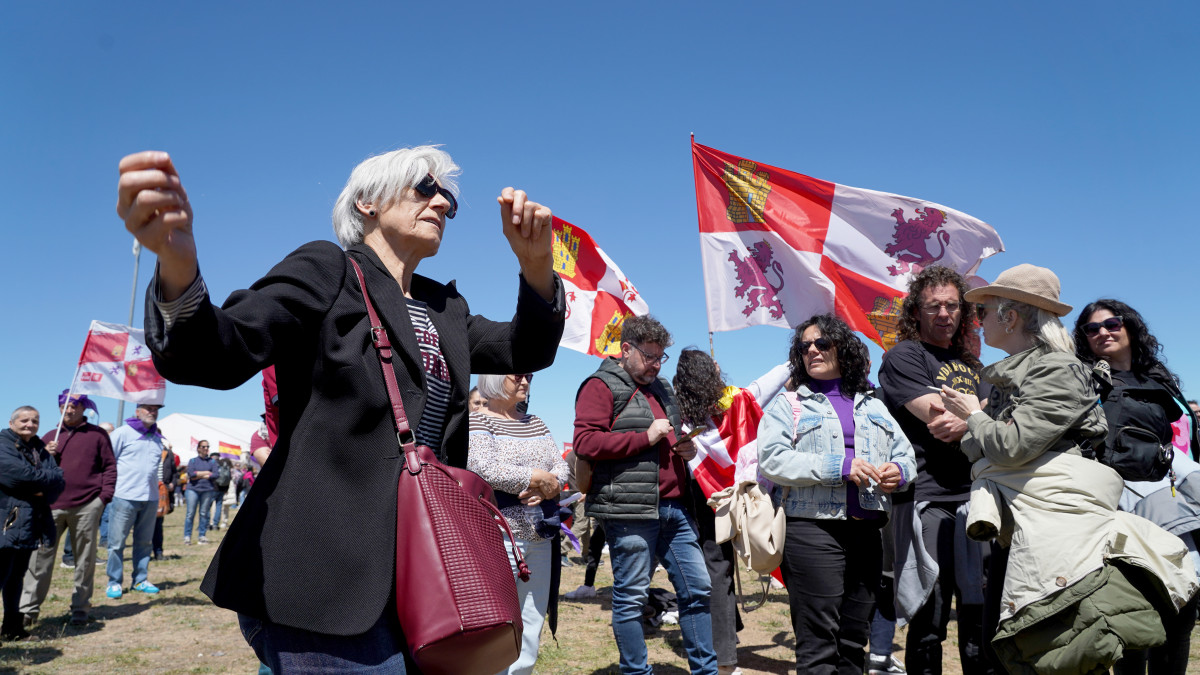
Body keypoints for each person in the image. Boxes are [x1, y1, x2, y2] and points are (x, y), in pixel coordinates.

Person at [119, 145, 564, 671]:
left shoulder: (445, 307)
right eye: (426, 188)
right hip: (324, 579)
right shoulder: (329, 269)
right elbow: (220, 351)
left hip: (427, 574)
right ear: (367, 203)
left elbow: (527, 348)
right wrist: (178, 267)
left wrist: (537, 266)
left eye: (449, 198)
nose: (443, 203)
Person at [940, 264, 1196, 671]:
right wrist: (984, 427)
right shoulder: (1018, 374)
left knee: (1057, 649)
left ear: (1010, 316)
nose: (977, 322)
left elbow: (1008, 447)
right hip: (1024, 519)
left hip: (1055, 523)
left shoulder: (1056, 369)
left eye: (982, 312)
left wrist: (973, 416)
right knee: (1009, 647)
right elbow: (980, 448)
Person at [758, 314, 916, 675]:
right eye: (804, 346)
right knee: (819, 646)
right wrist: (840, 466)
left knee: (853, 643)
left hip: (867, 532)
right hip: (811, 532)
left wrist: (899, 472)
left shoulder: (874, 405)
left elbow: (906, 456)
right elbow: (772, 459)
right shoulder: (788, 405)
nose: (812, 350)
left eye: (822, 343)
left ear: (842, 349)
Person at [573, 314, 717, 675]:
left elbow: (669, 437)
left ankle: (706, 671)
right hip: (629, 511)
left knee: (698, 589)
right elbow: (585, 442)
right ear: (626, 349)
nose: (656, 364)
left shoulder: (663, 387)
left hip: (675, 508)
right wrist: (645, 438)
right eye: (649, 356)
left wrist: (685, 449)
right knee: (631, 597)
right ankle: (636, 672)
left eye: (660, 357)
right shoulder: (599, 385)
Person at [876, 265, 995, 675]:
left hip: (977, 498)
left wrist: (973, 417)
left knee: (980, 617)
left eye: (952, 305)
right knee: (930, 618)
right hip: (927, 498)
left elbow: (1000, 412)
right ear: (916, 312)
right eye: (933, 306)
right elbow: (938, 416)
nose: (944, 314)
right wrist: (981, 415)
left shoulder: (975, 366)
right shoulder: (904, 357)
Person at [1073, 299, 1200, 674]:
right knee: (1133, 616)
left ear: (1129, 326)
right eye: (1092, 328)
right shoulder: (1085, 379)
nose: (1102, 332)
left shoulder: (1159, 377)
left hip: (1173, 501)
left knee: (1180, 611)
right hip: (1118, 506)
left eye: (1111, 323)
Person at [672, 349, 789, 675]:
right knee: (767, 558)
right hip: (748, 497)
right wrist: (796, 355)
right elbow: (775, 377)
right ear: (710, 374)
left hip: (707, 500)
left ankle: (724, 654)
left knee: (717, 572)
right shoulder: (741, 399)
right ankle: (726, 653)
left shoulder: (679, 418)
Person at [467, 372, 568, 675]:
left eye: (529, 376)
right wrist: (536, 478)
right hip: (500, 537)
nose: (525, 382)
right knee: (497, 624)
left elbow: (561, 465)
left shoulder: (535, 422)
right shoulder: (478, 422)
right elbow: (482, 468)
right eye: (518, 376)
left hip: (540, 537)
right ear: (496, 379)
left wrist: (550, 485)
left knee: (532, 623)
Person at [20, 391, 116, 628]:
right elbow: (31, 471)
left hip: (87, 505)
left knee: (84, 560)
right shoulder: (48, 437)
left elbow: (109, 467)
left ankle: (80, 608)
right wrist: (45, 454)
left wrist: (103, 498)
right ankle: (28, 609)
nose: (69, 410)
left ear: (84, 408)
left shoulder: (97, 435)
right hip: (51, 507)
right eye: (64, 405)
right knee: (39, 559)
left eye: (74, 405)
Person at [0, 407, 65, 642]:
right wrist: (41, 482)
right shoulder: (3, 444)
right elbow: (16, 476)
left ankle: (12, 629)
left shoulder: (39, 447)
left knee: (16, 577)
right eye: (24, 420)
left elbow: (59, 479)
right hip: (6, 522)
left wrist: (42, 487)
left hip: (30, 523)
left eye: (35, 421)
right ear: (12, 422)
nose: (30, 424)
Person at [105, 403, 167, 599]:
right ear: (137, 411)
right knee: (117, 543)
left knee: (144, 542)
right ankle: (114, 581)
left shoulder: (157, 438)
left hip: (150, 498)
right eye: (148, 408)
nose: (153, 412)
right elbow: (107, 461)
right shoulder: (122, 433)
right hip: (124, 496)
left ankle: (140, 580)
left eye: (156, 409)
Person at [183, 440, 219, 545]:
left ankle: (202, 536)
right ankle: (187, 537)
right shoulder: (193, 461)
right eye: (203, 447)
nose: (206, 448)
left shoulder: (212, 462)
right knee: (190, 514)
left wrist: (198, 474)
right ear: (198, 448)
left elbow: (216, 475)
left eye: (207, 446)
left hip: (207, 490)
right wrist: (207, 473)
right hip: (192, 490)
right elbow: (191, 474)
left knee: (204, 513)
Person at [152, 439, 177, 560]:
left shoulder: (167, 453)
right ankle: (143, 554)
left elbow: (174, 472)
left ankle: (158, 552)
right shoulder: (145, 450)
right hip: (146, 491)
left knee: (158, 524)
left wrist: (172, 483)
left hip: (162, 492)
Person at [209, 455, 234, 531]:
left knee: (208, 506)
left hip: (213, 488)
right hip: (222, 489)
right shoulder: (226, 467)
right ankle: (215, 525)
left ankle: (207, 524)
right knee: (219, 507)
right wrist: (226, 489)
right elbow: (229, 478)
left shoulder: (216, 464)